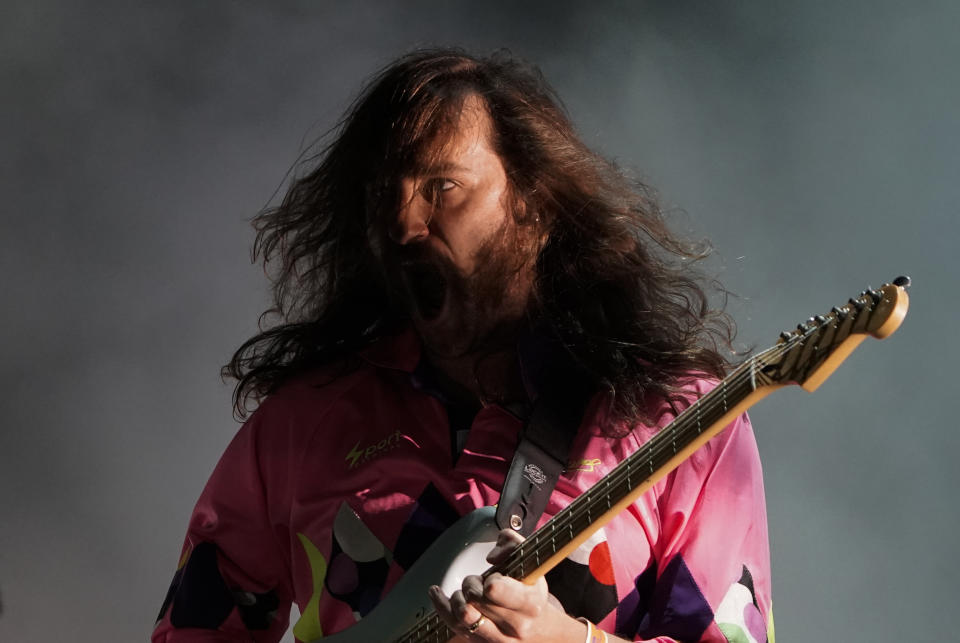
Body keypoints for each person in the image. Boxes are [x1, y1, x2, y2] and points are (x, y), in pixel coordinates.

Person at [153, 49, 772, 643]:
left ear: (533, 206)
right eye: (381, 195)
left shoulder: (680, 418)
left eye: (441, 187)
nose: (402, 225)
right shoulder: (299, 424)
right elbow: (192, 628)